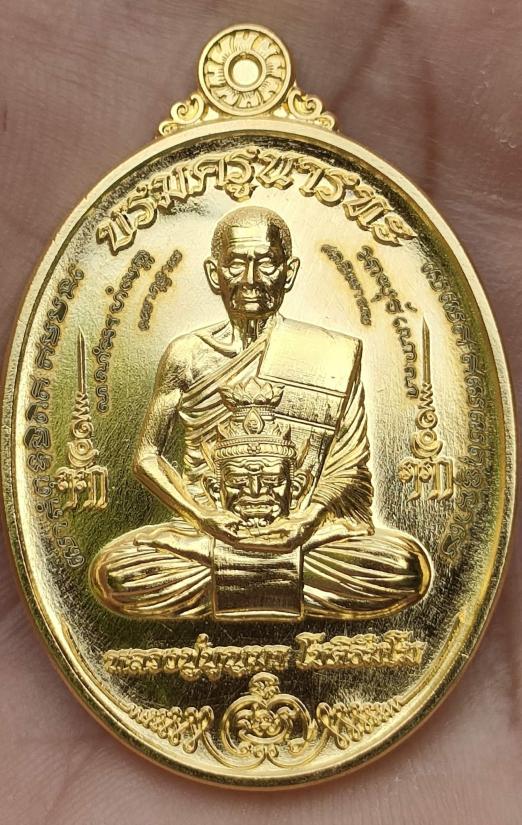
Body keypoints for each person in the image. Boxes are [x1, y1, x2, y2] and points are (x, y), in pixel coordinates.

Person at [90, 206, 431, 620]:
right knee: (115, 572)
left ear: (288, 273)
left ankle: (232, 571)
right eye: (237, 264)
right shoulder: (187, 355)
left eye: (266, 263)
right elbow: (147, 456)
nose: (250, 279)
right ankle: (265, 573)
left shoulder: (332, 355)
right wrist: (203, 519)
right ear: (215, 273)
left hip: (304, 534)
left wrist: (306, 521)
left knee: (405, 568)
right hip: (210, 528)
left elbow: (347, 466)